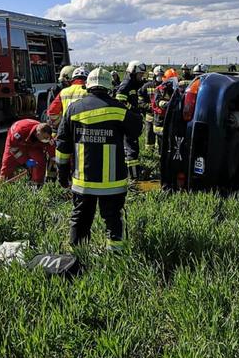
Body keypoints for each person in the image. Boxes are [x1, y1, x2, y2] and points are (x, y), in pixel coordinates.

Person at [56, 67, 143, 247]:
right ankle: (116, 258)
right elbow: (136, 130)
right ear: (109, 86)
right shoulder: (118, 110)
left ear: (88, 86)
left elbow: (62, 146)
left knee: (80, 219)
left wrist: (62, 176)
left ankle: (77, 258)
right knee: (113, 221)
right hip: (113, 183)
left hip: (83, 181)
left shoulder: (73, 109)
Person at [115, 60, 146, 179]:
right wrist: (132, 110)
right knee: (131, 149)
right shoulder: (126, 84)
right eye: (140, 74)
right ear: (133, 72)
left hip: (131, 120)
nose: (141, 76)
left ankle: (131, 173)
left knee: (132, 148)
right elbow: (120, 102)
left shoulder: (132, 84)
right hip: (127, 121)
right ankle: (133, 176)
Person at [0, 120, 54, 185]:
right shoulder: (18, 132)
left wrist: (54, 159)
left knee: (39, 160)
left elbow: (52, 149)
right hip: (15, 143)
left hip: (34, 145)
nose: (47, 140)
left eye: (48, 137)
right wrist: (25, 162)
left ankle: (37, 184)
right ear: (38, 134)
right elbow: (13, 149)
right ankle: (2, 184)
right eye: (45, 138)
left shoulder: (45, 134)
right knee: (8, 164)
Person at [152, 68, 178, 155]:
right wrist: (170, 104)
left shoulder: (175, 91)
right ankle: (160, 159)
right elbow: (158, 102)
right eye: (171, 80)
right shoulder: (159, 89)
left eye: (175, 80)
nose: (173, 82)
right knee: (161, 143)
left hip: (170, 119)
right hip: (160, 120)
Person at [138, 65, 163, 151]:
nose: (160, 77)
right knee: (149, 134)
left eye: (161, 75)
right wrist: (148, 106)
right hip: (150, 116)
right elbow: (140, 98)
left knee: (160, 135)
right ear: (155, 75)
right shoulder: (147, 86)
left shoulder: (165, 86)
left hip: (160, 117)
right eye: (158, 75)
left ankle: (159, 151)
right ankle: (149, 151)